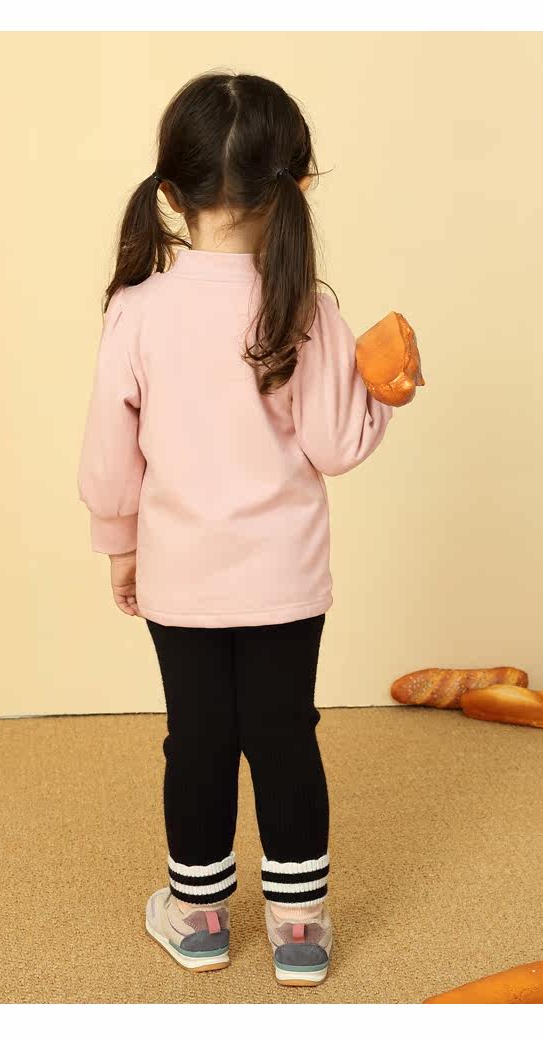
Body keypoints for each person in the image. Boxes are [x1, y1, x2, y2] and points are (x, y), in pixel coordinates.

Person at [77, 71, 393, 987]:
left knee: (198, 738)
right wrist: (382, 394)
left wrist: (120, 544)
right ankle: (299, 928)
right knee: (286, 734)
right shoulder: (308, 306)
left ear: (171, 192)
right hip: (286, 581)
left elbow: (109, 453)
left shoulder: (138, 308)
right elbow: (337, 444)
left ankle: (201, 917)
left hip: (180, 577)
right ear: (294, 184)